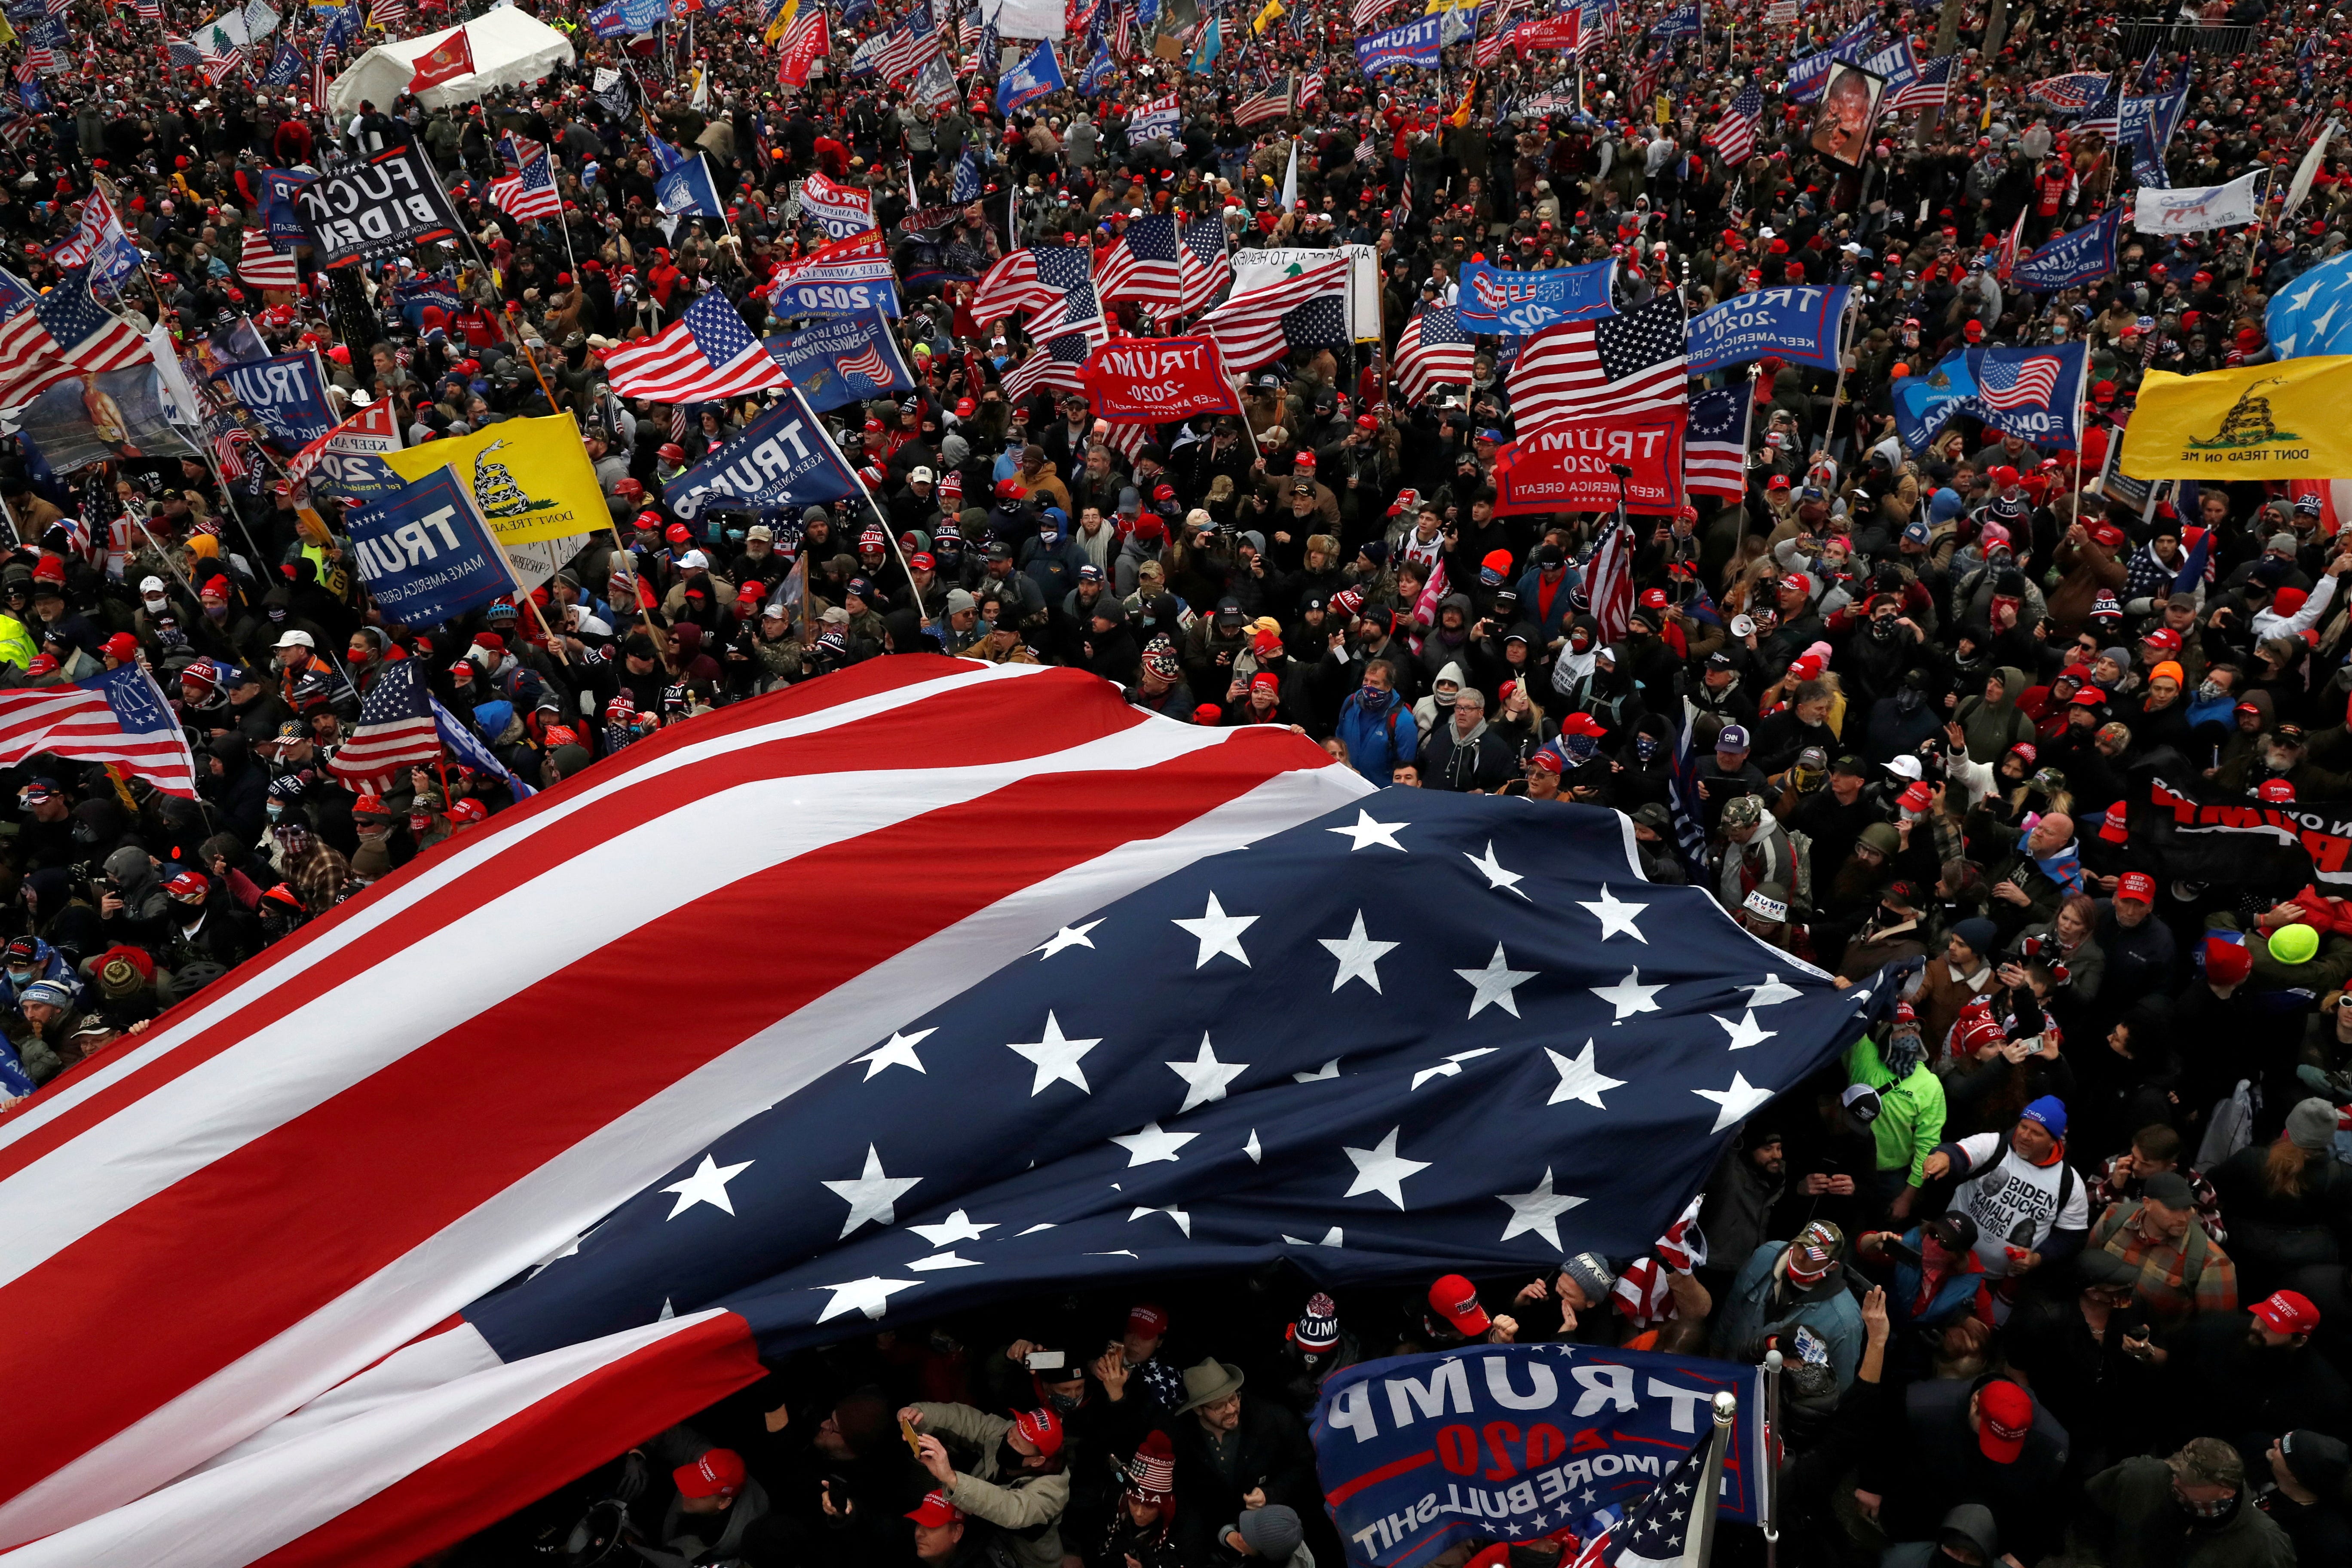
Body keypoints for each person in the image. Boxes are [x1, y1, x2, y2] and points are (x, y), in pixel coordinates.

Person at [2082, 1438, 2298, 1568]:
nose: (2175, 1481)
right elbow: (2092, 1512)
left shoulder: (2265, 1545)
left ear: (2226, 1492)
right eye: (2178, 1470)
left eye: (2191, 1480)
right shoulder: (2139, 1477)